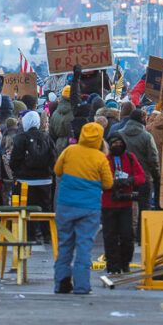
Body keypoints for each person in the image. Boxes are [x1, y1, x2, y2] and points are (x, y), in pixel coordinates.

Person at [52, 121, 113, 294]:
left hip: (65, 205)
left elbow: (57, 170)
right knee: (84, 246)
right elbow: (108, 184)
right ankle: (82, 285)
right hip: (89, 207)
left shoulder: (70, 150)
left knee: (65, 245)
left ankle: (61, 283)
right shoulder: (101, 158)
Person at [9, 110, 57, 239]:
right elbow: (53, 157)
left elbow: (14, 160)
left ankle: (30, 234)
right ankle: (47, 234)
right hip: (45, 180)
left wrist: (17, 172)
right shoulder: (47, 137)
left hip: (26, 179)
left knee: (28, 207)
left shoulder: (20, 138)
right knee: (45, 207)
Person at [102, 132, 145, 274]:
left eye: (119, 143)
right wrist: (112, 185)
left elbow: (141, 176)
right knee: (110, 237)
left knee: (127, 236)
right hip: (109, 203)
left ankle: (125, 262)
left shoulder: (129, 157)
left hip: (126, 204)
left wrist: (130, 181)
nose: (117, 146)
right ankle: (113, 265)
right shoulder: (104, 159)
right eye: (114, 143)